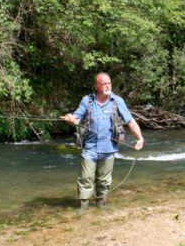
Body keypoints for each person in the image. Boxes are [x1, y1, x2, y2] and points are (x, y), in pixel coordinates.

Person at [61, 72, 144, 210]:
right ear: (96, 86)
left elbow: (130, 121)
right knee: (85, 179)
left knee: (104, 182)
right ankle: (83, 209)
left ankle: (101, 207)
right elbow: (76, 117)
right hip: (89, 148)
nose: (107, 86)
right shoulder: (87, 100)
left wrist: (139, 138)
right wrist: (70, 118)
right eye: (103, 83)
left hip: (109, 149)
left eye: (109, 83)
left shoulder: (118, 101)